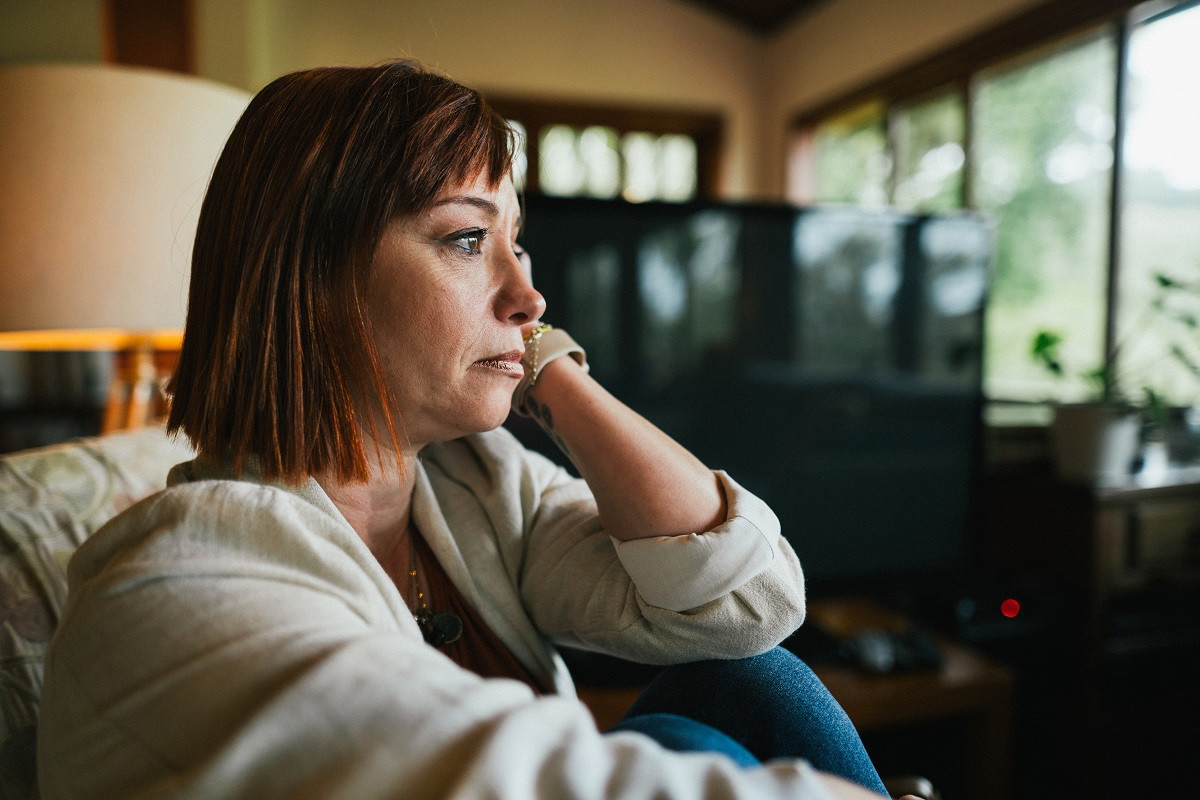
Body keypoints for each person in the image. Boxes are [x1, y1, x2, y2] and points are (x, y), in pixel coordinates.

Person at [37, 61, 911, 800]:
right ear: (311, 275)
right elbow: (505, 780)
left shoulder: (475, 489)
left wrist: (552, 369)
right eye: (465, 239)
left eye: (515, 244)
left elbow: (747, 606)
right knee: (685, 745)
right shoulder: (180, 582)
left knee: (748, 683)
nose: (529, 295)